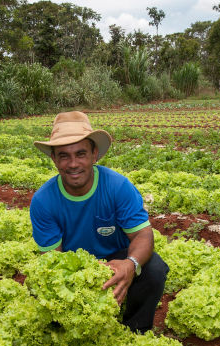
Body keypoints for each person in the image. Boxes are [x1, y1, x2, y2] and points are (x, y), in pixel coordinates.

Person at [30, 111, 168, 333]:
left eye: (81, 153)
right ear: (54, 159)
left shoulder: (118, 187)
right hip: (73, 266)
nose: (73, 163)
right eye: (64, 155)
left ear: (94, 155)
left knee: (153, 269)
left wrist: (130, 264)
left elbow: (143, 235)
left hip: (117, 259)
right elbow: (53, 260)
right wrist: (82, 278)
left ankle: (135, 329)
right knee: (42, 289)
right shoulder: (43, 201)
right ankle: (77, 329)